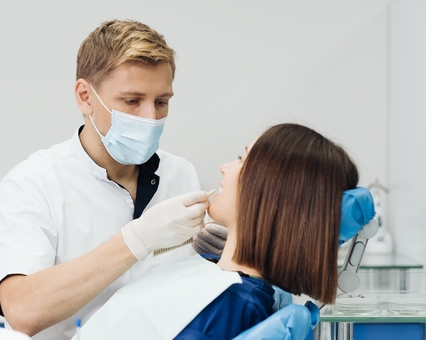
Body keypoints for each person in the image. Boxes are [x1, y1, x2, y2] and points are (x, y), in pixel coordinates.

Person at [0, 20, 227, 339]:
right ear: (85, 96)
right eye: (131, 101)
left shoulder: (181, 174)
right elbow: (22, 312)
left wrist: (222, 261)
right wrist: (135, 240)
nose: (150, 119)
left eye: (161, 102)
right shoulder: (32, 184)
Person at [77, 123, 374, 339]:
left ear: (270, 191)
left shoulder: (233, 305)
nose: (224, 167)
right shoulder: (221, 281)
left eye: (243, 159)